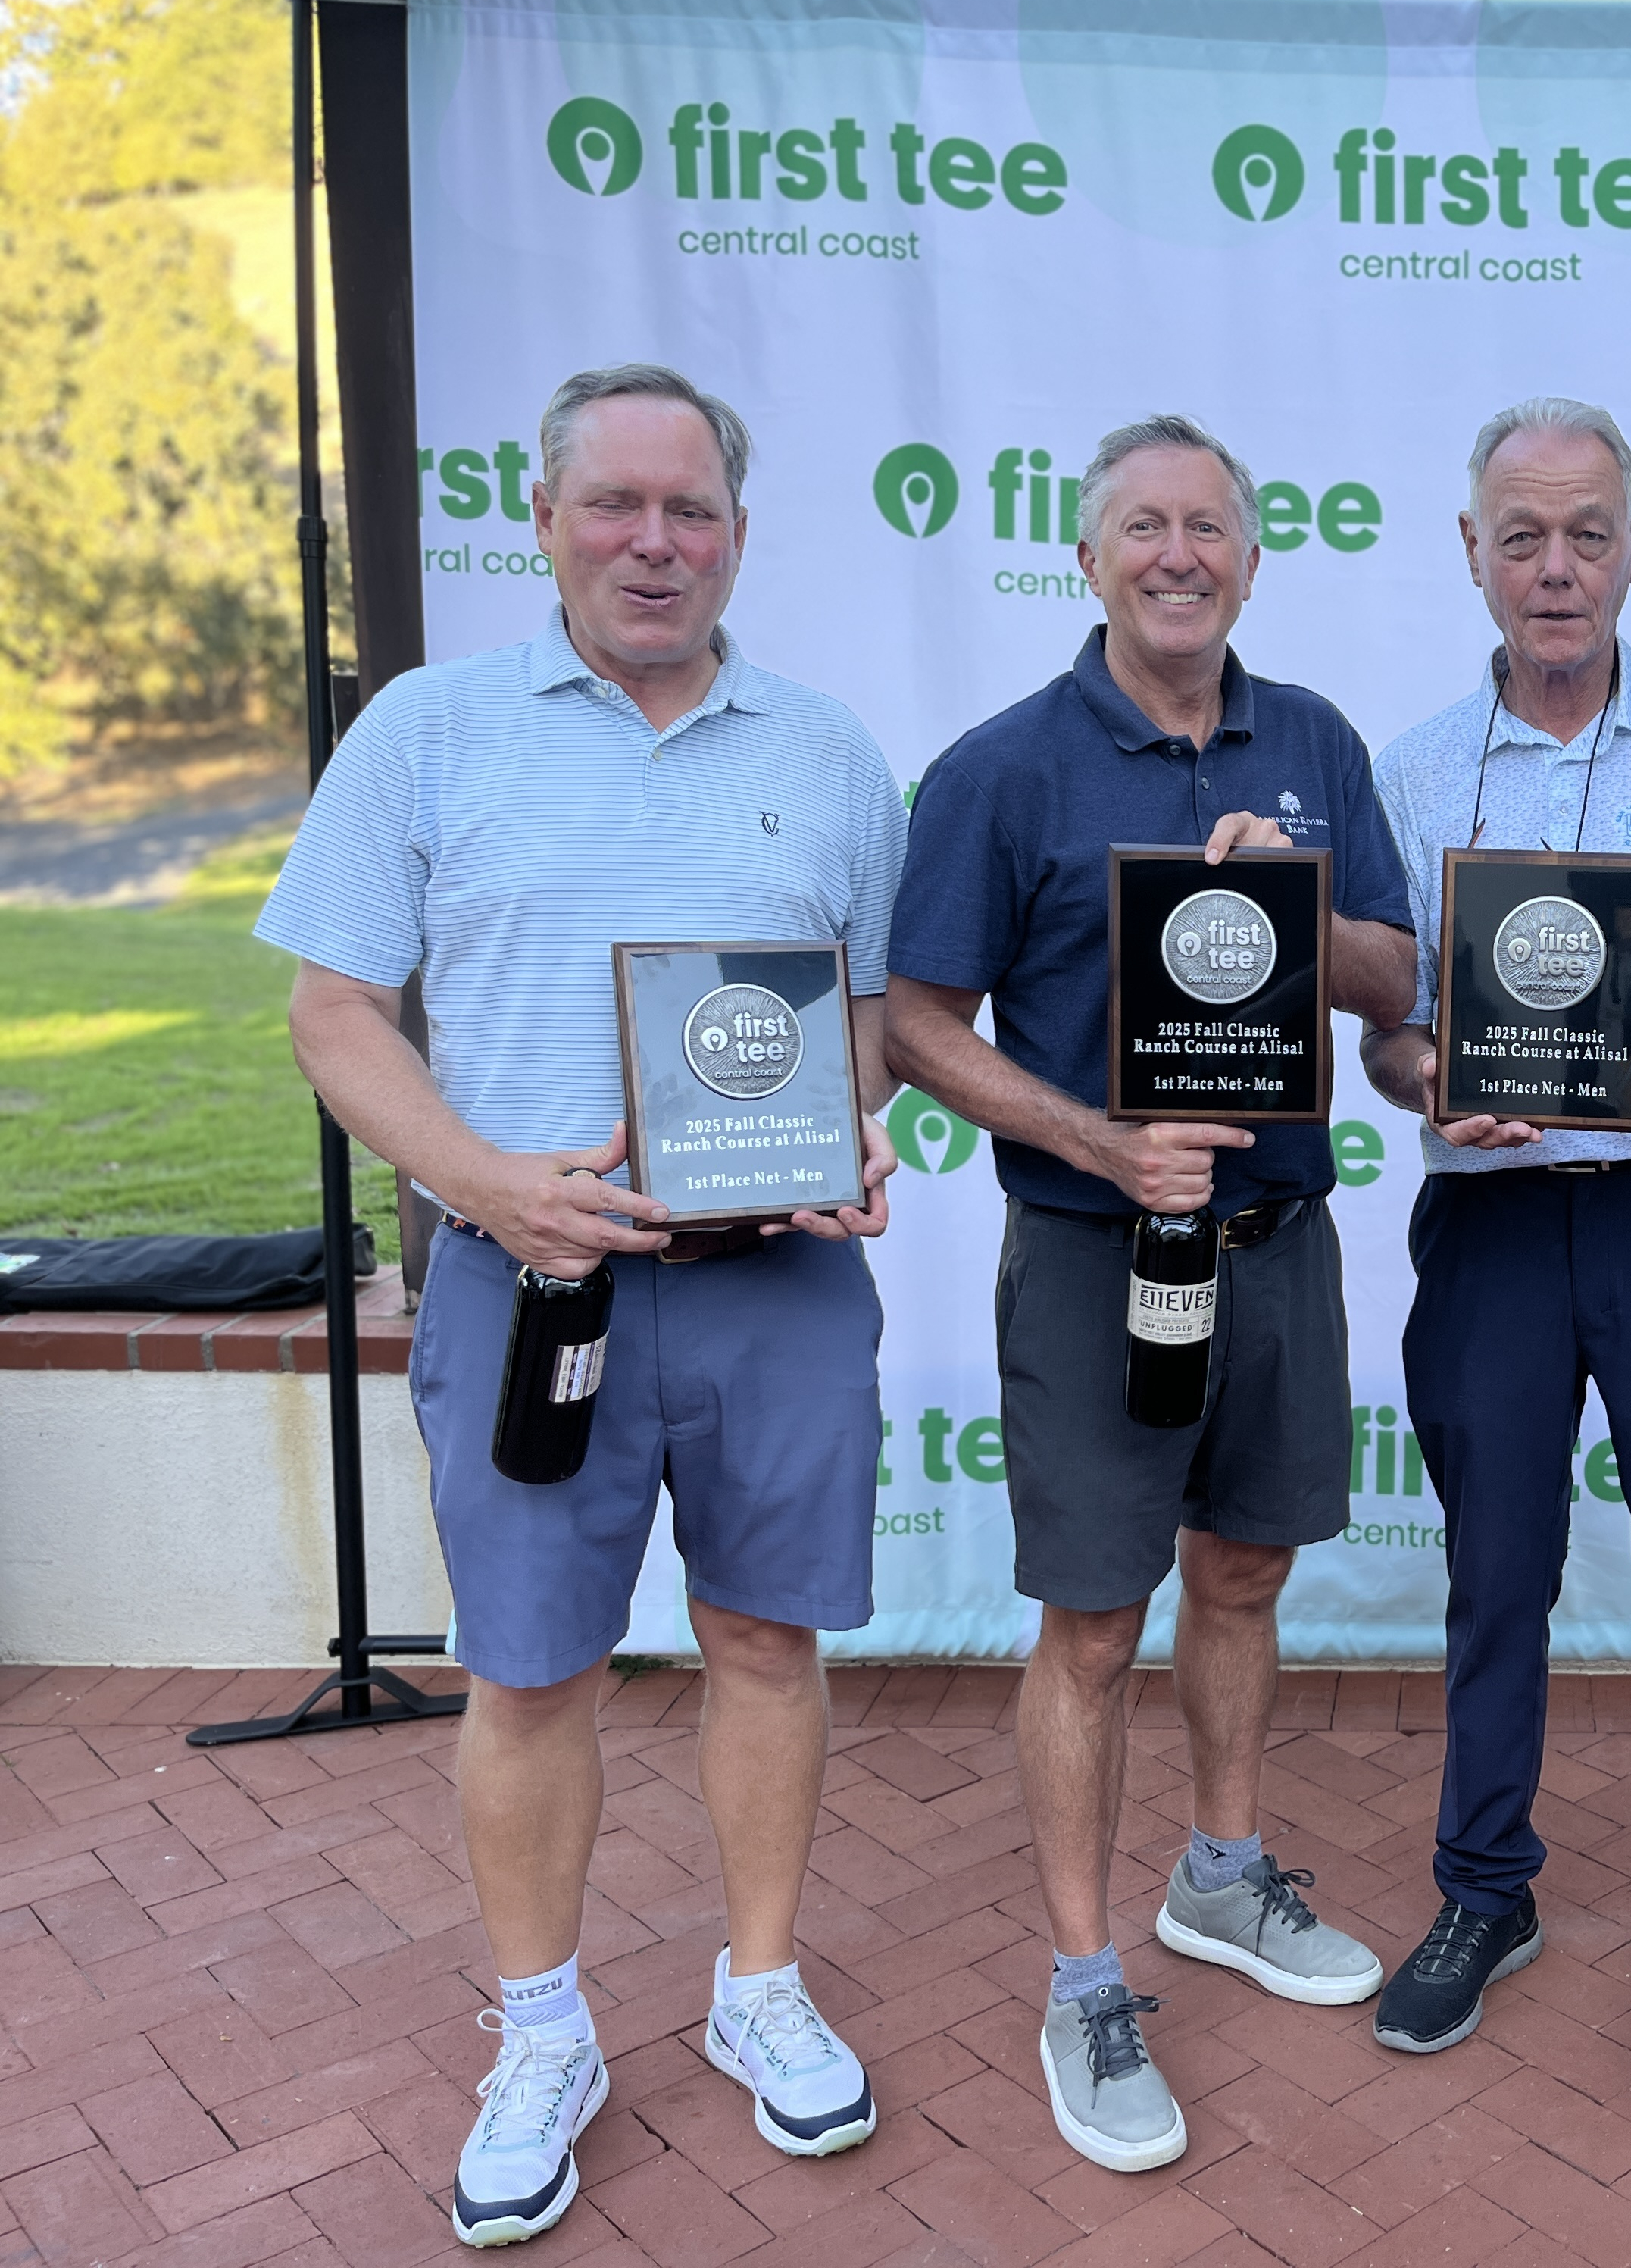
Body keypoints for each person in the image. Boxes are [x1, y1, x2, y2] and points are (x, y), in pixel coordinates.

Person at [254, 364, 907, 2248]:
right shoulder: (430, 732)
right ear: (541, 519)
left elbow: (860, 1028)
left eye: (689, 509)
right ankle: (541, 2030)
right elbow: (332, 1016)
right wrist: (483, 1179)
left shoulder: (828, 750)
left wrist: (848, 1134)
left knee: (769, 1646)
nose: (652, 541)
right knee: (531, 1674)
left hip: (772, 1286)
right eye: (614, 504)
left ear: (737, 534)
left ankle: (757, 1985)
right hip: (529, 1281)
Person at [884, 414, 1420, 2176]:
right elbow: (914, 1026)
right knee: (1097, 1625)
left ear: (1251, 562)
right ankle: (1085, 1972)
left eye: (1209, 527)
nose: (1178, 553)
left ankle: (1219, 1872)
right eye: (1143, 527)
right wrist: (1101, 1143)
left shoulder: (1320, 742)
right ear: (1089, 557)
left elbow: (1394, 979)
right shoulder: (1006, 769)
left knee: (1248, 1574)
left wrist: (1296, 894)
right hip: (1096, 1252)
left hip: (1277, 1247)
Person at [1356, 399, 1631, 2119]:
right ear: (1471, 551)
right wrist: (1426, 1091)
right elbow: (1391, 1040)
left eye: (1589, 532)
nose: (1557, 568)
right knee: (1496, 1574)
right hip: (1493, 1210)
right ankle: (1486, 1893)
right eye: (1522, 536)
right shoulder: (1408, 769)